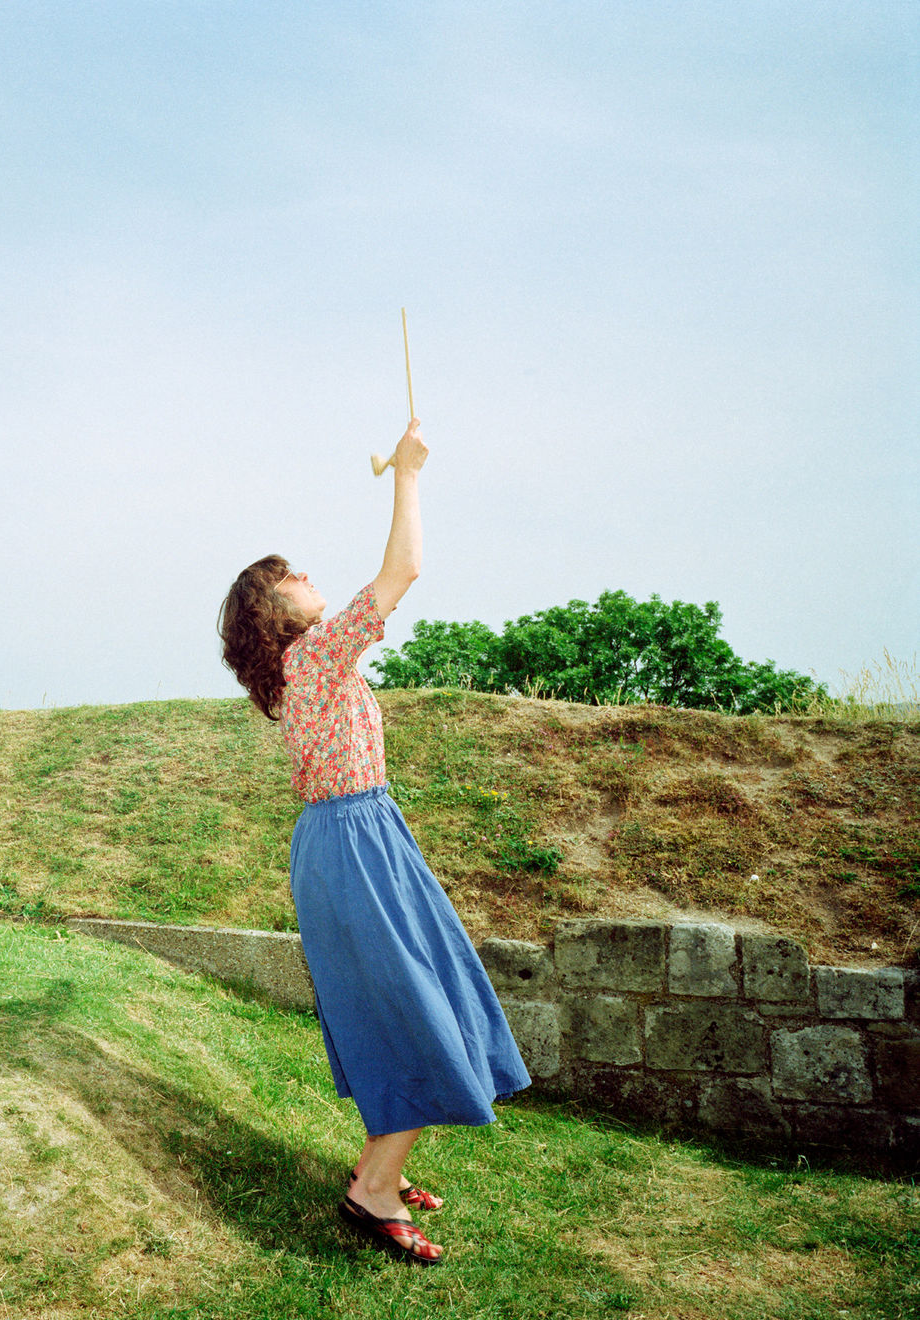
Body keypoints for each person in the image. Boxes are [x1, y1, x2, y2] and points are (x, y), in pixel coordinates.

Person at [217, 419, 529, 1266]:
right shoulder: (314, 658)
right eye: (294, 578)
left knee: (416, 998)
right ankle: (374, 1190)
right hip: (353, 842)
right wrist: (409, 475)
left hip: (360, 834)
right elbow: (404, 571)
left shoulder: (312, 666)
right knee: (411, 1009)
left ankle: (375, 1169)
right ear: (270, 610)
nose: (312, 580)